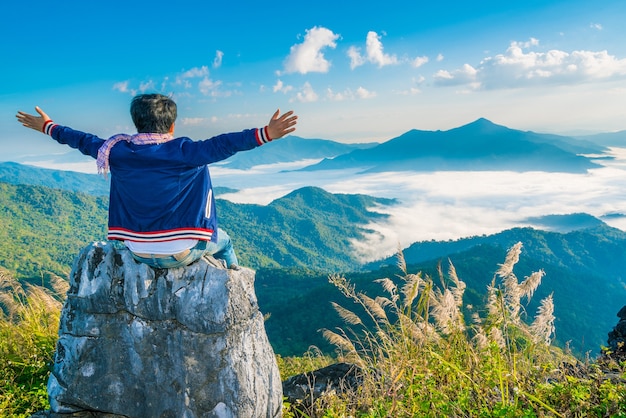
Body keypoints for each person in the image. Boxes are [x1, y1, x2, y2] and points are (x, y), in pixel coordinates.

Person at [16, 94, 297, 269]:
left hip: (135, 251)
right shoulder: (186, 152)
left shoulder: (118, 152)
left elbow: (81, 140)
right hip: (183, 252)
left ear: (137, 122)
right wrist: (265, 133)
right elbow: (224, 144)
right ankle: (234, 285)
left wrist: (48, 126)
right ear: (172, 125)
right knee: (225, 242)